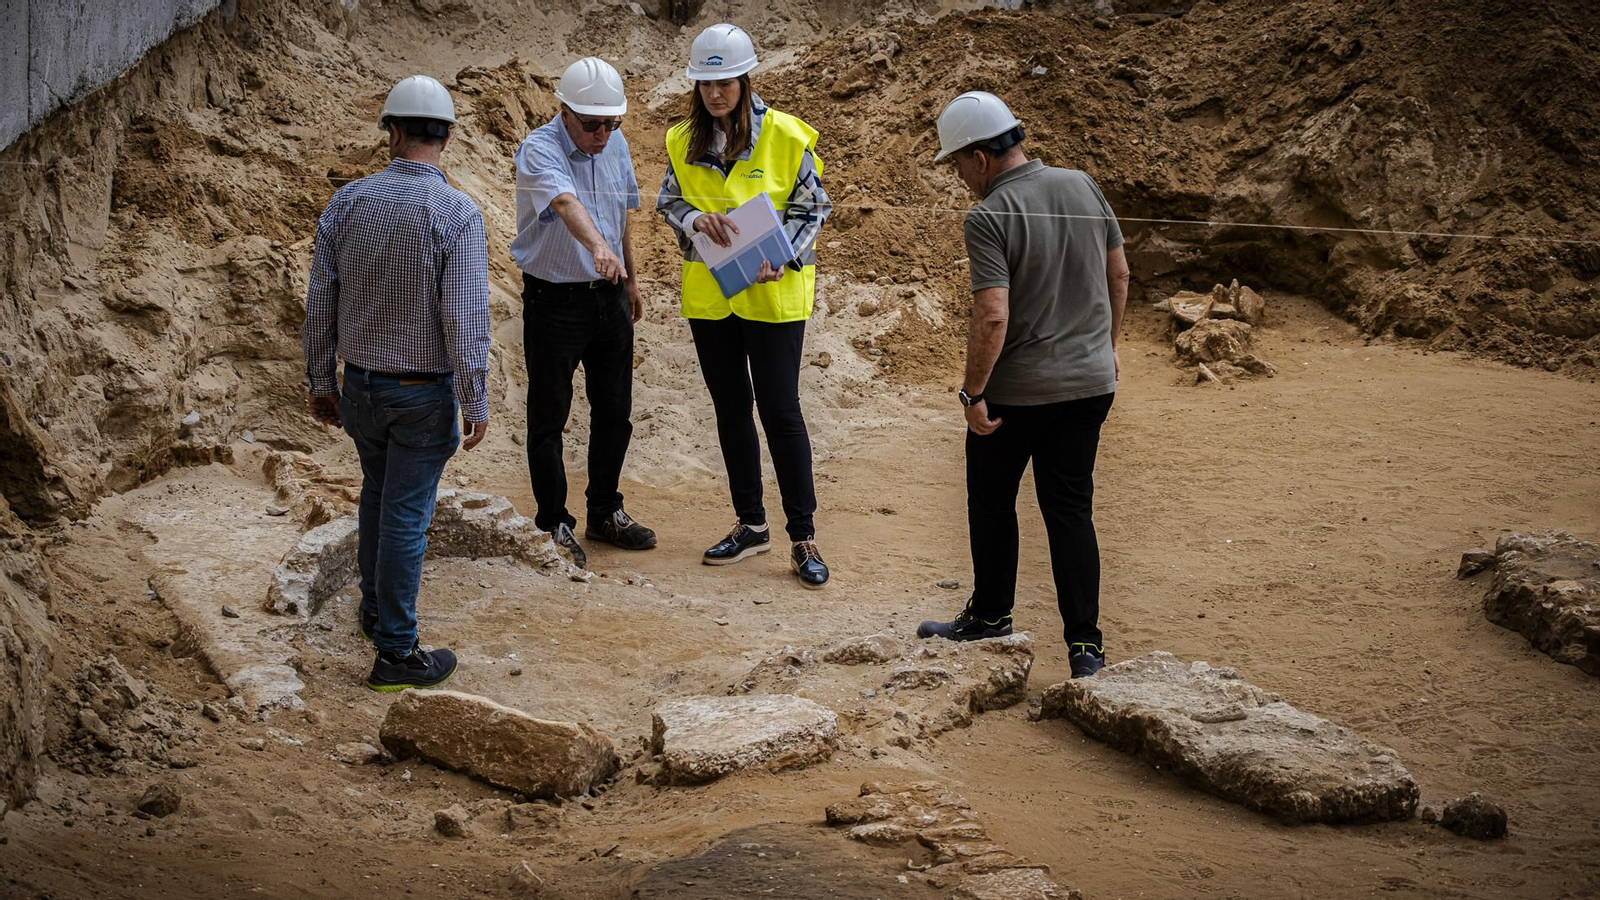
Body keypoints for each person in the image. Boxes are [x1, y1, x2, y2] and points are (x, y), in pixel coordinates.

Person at [915, 91, 1129, 679]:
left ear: (981, 157)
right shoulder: (1083, 184)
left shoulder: (987, 216)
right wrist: (1107, 347)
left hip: (1016, 394)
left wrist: (972, 392)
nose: (958, 176)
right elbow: (1119, 271)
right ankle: (1086, 648)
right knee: (1070, 512)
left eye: (957, 163)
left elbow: (992, 315)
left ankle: (990, 618)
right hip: (1090, 386)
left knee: (991, 501)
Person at [304, 74, 490, 691]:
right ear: (449, 136)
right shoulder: (456, 213)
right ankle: (396, 651)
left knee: (378, 496)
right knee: (407, 514)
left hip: (359, 385)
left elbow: (320, 298)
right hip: (421, 394)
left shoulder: (348, 202)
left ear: (392, 130)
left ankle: (374, 612)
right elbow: (463, 316)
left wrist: (318, 377)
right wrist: (474, 396)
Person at [657, 23, 834, 589]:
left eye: (725, 81)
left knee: (781, 413)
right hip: (712, 297)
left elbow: (813, 207)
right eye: (706, 82)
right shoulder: (683, 139)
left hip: (773, 294)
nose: (715, 93)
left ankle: (802, 536)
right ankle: (751, 524)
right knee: (731, 410)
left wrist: (784, 254)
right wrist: (691, 219)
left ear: (744, 78)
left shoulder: (784, 135)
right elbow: (669, 200)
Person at [513, 57, 656, 570]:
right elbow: (568, 202)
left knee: (614, 411)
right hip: (555, 300)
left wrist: (631, 278)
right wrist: (597, 246)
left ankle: (605, 510)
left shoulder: (614, 143)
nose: (602, 134)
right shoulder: (539, 149)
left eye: (611, 123)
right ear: (565, 111)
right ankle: (553, 520)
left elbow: (621, 215)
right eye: (592, 123)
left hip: (610, 294)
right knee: (549, 415)